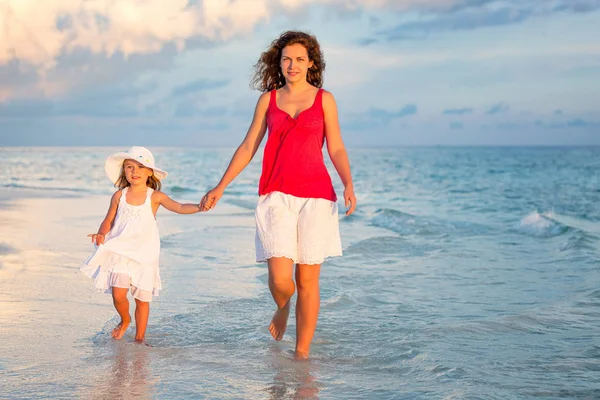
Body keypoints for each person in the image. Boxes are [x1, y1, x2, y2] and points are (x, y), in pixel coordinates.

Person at [200, 31, 356, 359]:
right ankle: (283, 306)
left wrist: (348, 184)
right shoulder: (268, 100)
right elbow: (248, 146)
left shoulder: (325, 99)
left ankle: (302, 357)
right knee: (280, 277)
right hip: (276, 195)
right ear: (279, 62)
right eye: (287, 58)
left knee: (309, 280)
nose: (292, 64)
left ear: (311, 63)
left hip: (317, 197)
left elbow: (337, 147)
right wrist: (221, 185)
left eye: (300, 59)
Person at [81, 146, 203, 345]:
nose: (134, 171)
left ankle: (140, 337)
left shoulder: (154, 196)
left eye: (140, 166)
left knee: (142, 299)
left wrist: (199, 207)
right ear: (124, 172)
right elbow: (108, 220)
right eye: (129, 167)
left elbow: (180, 207)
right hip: (120, 249)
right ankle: (125, 319)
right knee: (118, 293)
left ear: (149, 172)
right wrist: (101, 233)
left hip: (145, 254)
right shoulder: (119, 196)